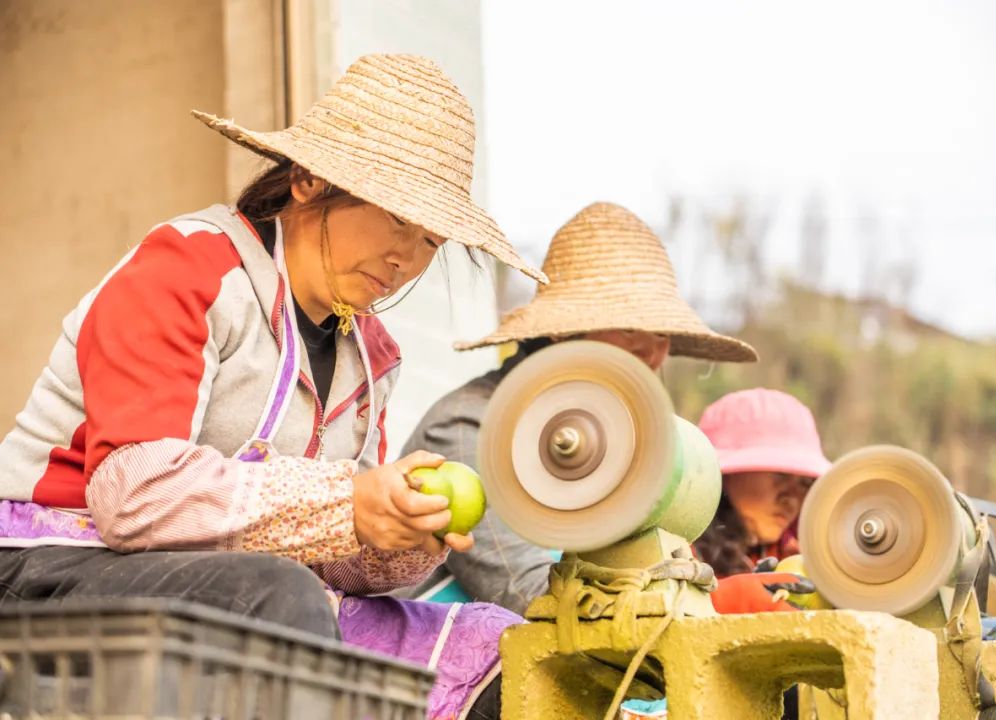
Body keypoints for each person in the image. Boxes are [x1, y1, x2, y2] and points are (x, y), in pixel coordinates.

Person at [0, 54, 544, 720]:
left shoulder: (372, 357)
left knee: (498, 645)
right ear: (309, 180)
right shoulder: (188, 268)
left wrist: (392, 536)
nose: (407, 259)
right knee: (275, 597)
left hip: (239, 588)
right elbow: (132, 495)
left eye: (429, 240)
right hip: (48, 566)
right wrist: (348, 503)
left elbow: (323, 543)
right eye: (397, 220)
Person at [395, 201, 759, 613]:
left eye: (662, 332)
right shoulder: (467, 426)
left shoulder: (621, 451)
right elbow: (527, 593)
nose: (652, 351)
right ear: (560, 333)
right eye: (626, 327)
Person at [693, 388, 832, 613]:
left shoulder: (797, 556)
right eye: (780, 475)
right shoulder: (672, 547)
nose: (792, 500)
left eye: (805, 484)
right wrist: (732, 599)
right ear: (726, 474)